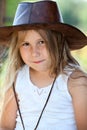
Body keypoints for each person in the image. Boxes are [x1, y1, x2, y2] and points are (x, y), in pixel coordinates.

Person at [0, 1, 87, 130]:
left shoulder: (75, 81)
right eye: (26, 44)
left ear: (58, 42)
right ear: (17, 48)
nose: (34, 52)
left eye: (41, 42)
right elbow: (6, 126)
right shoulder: (18, 79)